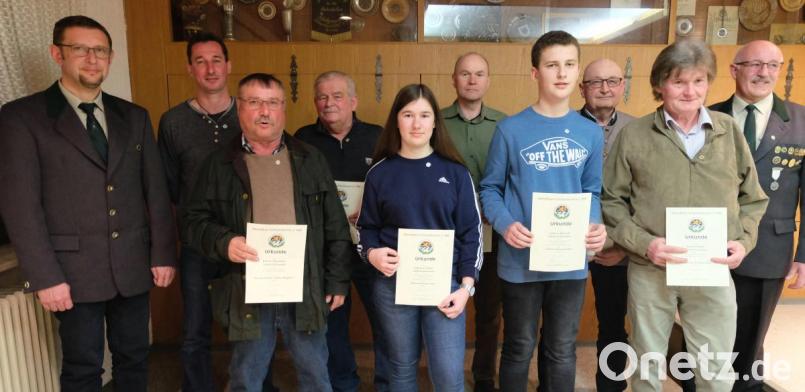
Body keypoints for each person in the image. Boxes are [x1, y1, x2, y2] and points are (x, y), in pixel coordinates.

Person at [0, 15, 177, 391]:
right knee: (82, 367)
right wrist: (45, 276)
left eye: (100, 51)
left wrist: (162, 252)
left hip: (132, 265)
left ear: (110, 58)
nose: (92, 59)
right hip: (71, 273)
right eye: (80, 49)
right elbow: (20, 206)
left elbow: (155, 192)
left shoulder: (134, 116)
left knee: (135, 358)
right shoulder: (21, 118)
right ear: (57, 53)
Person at [601, 39, 769, 392]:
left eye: (698, 81)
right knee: (647, 366)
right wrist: (646, 245)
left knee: (715, 369)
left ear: (708, 82)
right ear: (660, 85)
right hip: (652, 270)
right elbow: (611, 201)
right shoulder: (633, 135)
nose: (690, 91)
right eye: (679, 82)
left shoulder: (728, 131)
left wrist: (742, 242)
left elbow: (753, 199)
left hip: (711, 269)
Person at [181, 73, 352, 392]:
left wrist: (338, 280)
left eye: (273, 103)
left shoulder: (310, 159)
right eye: (255, 102)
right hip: (247, 287)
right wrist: (224, 242)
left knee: (316, 374)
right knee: (246, 377)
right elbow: (192, 222)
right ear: (239, 107)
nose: (264, 111)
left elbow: (336, 228)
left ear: (283, 109)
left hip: (305, 286)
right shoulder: (218, 164)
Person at [479, 30, 607, 392]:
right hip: (520, 259)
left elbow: (592, 191)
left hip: (569, 260)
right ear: (536, 73)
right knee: (519, 347)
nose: (562, 73)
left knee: (562, 349)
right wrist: (505, 224)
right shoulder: (510, 129)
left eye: (569, 65)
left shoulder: (590, 133)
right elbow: (489, 188)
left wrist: (595, 224)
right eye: (552, 65)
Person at [357, 83, 482, 391]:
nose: (416, 123)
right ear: (396, 120)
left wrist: (467, 287)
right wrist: (371, 254)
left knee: (448, 374)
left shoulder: (455, 172)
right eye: (408, 114)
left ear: (435, 122)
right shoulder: (379, 173)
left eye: (425, 115)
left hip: (446, 287)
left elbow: (471, 233)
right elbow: (366, 229)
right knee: (400, 368)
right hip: (393, 287)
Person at [708, 40, 805, 391]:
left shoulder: (800, 120)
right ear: (735, 70)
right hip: (710, 244)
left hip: (769, 247)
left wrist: (803, 255)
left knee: (750, 340)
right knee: (707, 332)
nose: (763, 73)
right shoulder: (709, 115)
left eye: (772, 65)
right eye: (754, 64)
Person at [157, 31, 242, 392]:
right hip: (196, 243)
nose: (210, 69)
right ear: (190, 68)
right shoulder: (173, 122)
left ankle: (252, 385)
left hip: (246, 242)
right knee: (195, 330)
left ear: (228, 65)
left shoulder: (251, 112)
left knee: (249, 327)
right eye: (201, 61)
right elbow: (168, 189)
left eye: (216, 60)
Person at [294, 70, 389, 392]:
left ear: (353, 101)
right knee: (333, 322)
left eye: (337, 96)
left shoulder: (378, 137)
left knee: (385, 319)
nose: (328, 103)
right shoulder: (302, 139)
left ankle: (387, 383)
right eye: (321, 96)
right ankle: (343, 383)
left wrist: (373, 208)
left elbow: (394, 186)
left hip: (371, 246)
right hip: (325, 249)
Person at [440, 52, 506, 392]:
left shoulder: (504, 124)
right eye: (464, 73)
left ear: (487, 80)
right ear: (454, 79)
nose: (471, 80)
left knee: (489, 310)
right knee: (443, 304)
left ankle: (483, 376)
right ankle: (445, 374)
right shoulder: (435, 121)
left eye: (479, 74)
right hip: (445, 234)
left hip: (492, 231)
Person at [578, 58, 634, 392]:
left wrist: (623, 247)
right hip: (569, 240)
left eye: (612, 81)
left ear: (623, 86)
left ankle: (610, 387)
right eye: (596, 82)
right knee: (557, 323)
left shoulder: (639, 129)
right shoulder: (564, 125)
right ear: (582, 88)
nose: (604, 88)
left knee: (613, 324)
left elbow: (646, 195)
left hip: (617, 245)